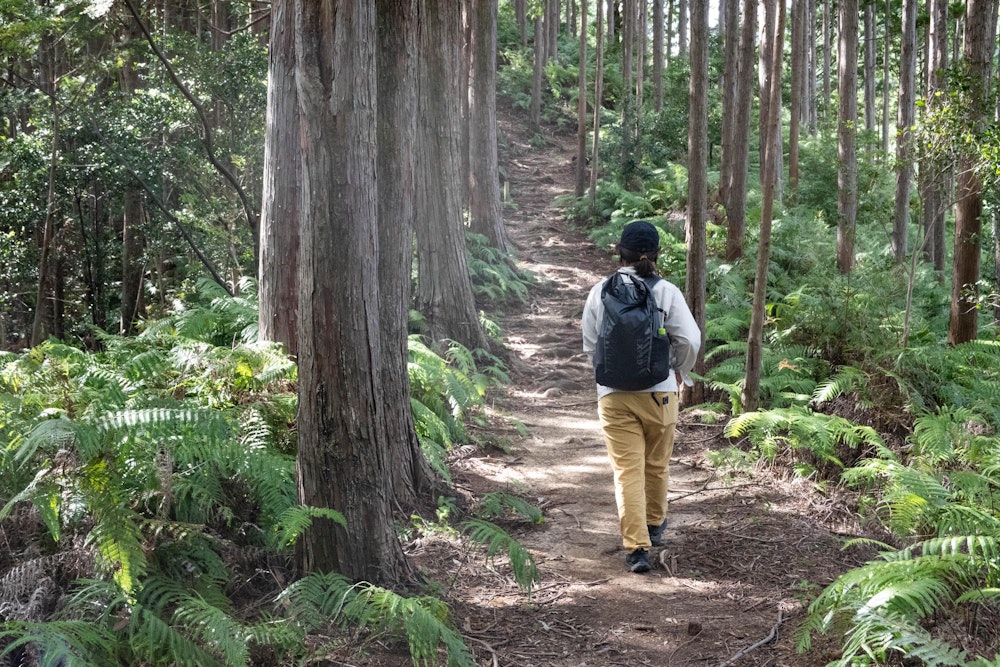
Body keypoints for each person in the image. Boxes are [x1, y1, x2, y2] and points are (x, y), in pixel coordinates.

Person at [581, 220, 701, 573]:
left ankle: (637, 549)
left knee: (627, 471)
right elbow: (690, 340)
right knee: (656, 465)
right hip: (660, 394)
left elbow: (591, 343)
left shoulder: (600, 291)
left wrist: (610, 372)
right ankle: (654, 525)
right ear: (656, 255)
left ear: (620, 251)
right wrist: (679, 370)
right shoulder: (667, 292)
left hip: (614, 396)